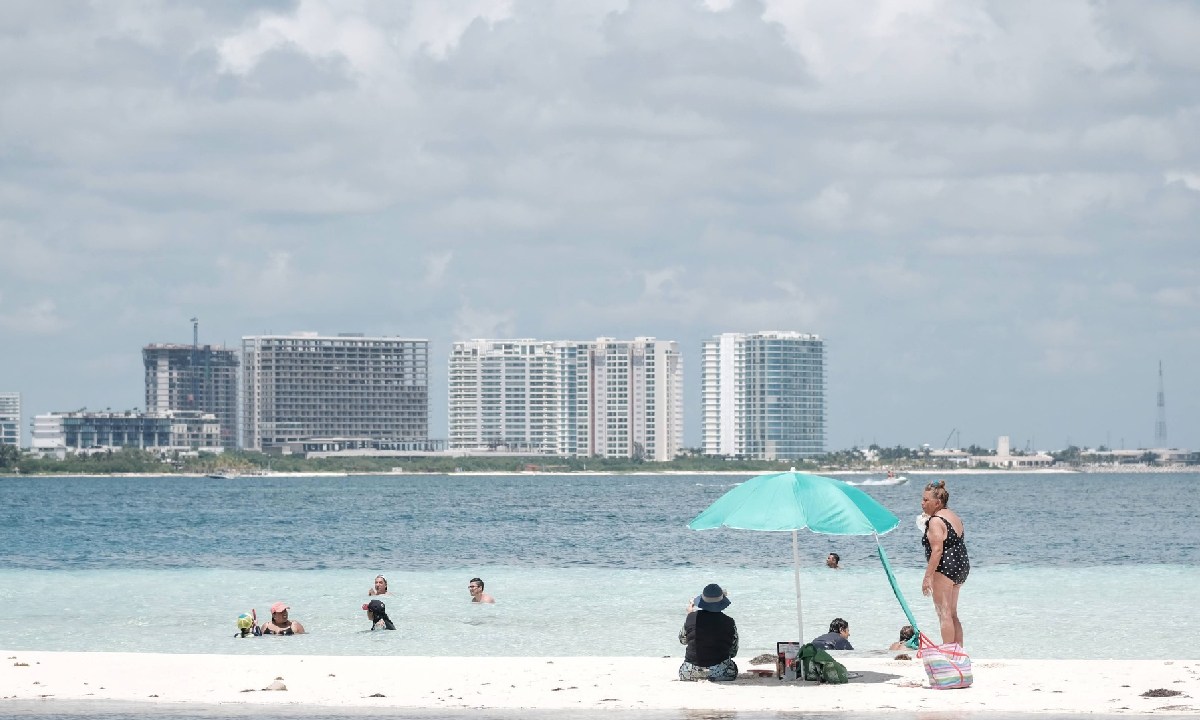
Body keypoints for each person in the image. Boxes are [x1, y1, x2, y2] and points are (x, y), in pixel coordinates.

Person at [921, 479, 969, 646]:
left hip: (945, 567)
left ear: (937, 502)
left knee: (943, 612)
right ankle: (959, 653)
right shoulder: (953, 516)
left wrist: (928, 577)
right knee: (952, 613)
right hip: (961, 566)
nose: (922, 503)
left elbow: (937, 551)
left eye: (926, 500)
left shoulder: (935, 520)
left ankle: (949, 653)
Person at [678, 583, 739, 681]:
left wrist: (690, 614)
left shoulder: (691, 618)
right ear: (721, 603)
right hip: (721, 673)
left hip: (689, 672)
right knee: (733, 667)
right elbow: (733, 651)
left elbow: (683, 640)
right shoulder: (729, 622)